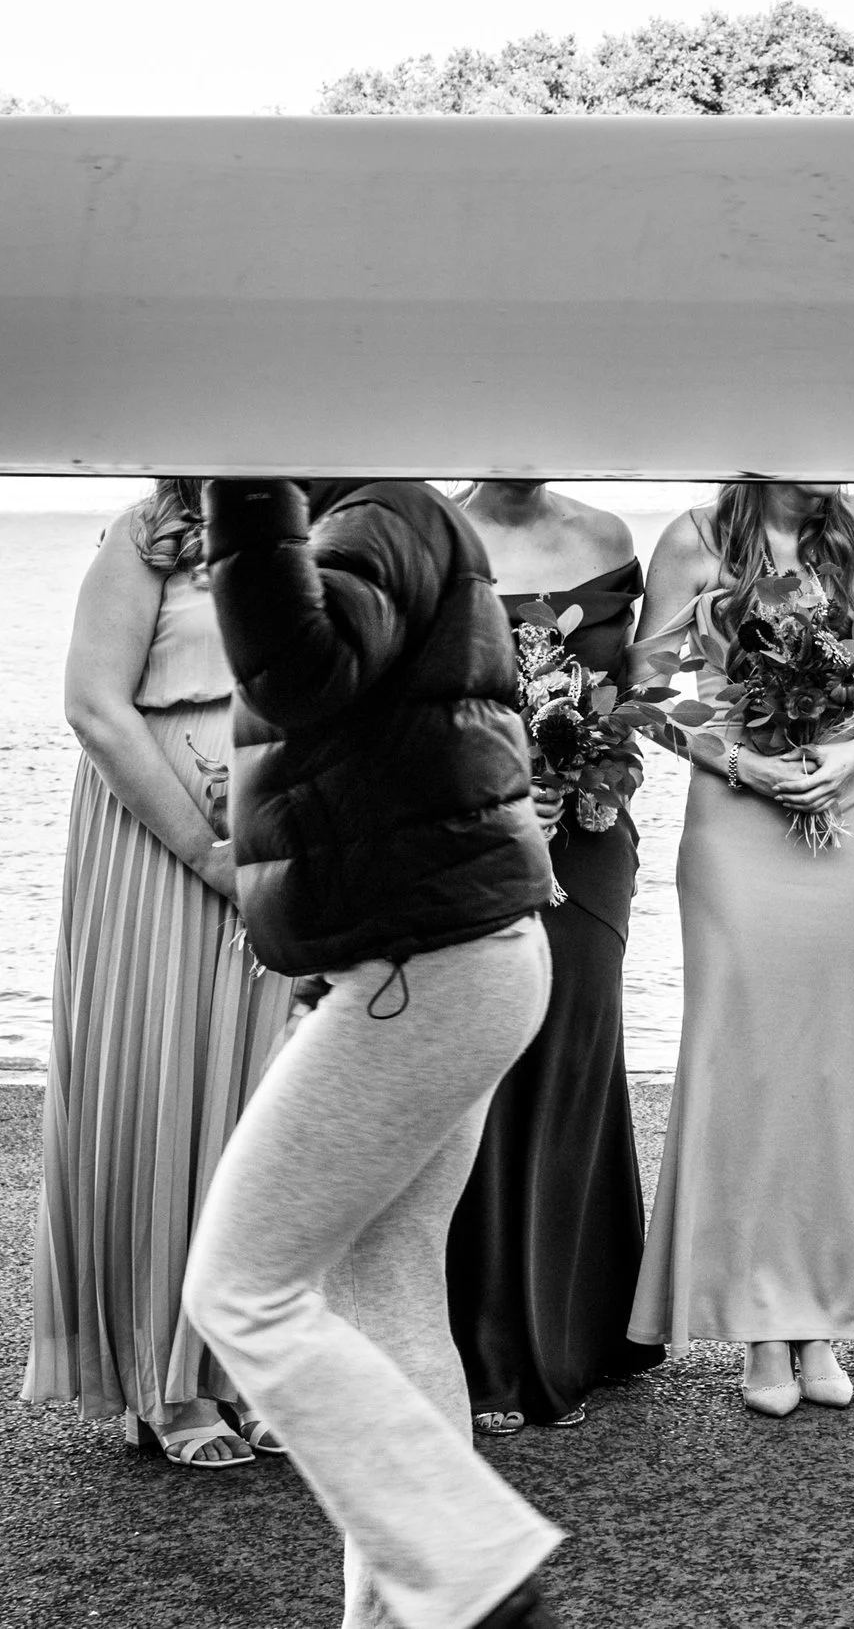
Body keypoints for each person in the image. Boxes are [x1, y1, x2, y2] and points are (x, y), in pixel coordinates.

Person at [182, 477, 562, 1629]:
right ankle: (406, 1609)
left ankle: (473, 1571)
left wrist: (245, 490)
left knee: (240, 1285)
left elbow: (299, 673)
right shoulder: (388, 520)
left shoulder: (380, 515)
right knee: (384, 1289)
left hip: (425, 968)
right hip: (446, 959)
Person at [625, 482, 854, 1416]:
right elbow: (643, 691)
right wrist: (740, 759)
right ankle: (758, 1316)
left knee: (831, 1059)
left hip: (850, 808)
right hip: (736, 812)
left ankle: (820, 1310)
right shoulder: (694, 538)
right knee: (746, 1058)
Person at [21, 480, 294, 1469]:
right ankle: (164, 1379)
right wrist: (204, 849)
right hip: (156, 845)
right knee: (163, 1088)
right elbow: (93, 707)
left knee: (259, 1106)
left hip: (281, 840)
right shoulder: (144, 536)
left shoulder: (316, 529)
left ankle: (242, 1363)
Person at [446, 481, 663, 1434]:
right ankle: (487, 1346)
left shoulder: (608, 536)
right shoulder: (436, 535)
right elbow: (400, 711)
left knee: (576, 1057)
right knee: (484, 1066)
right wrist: (499, 792)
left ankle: (575, 1326)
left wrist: (595, 777)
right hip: (466, 842)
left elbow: (638, 707)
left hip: (587, 843)